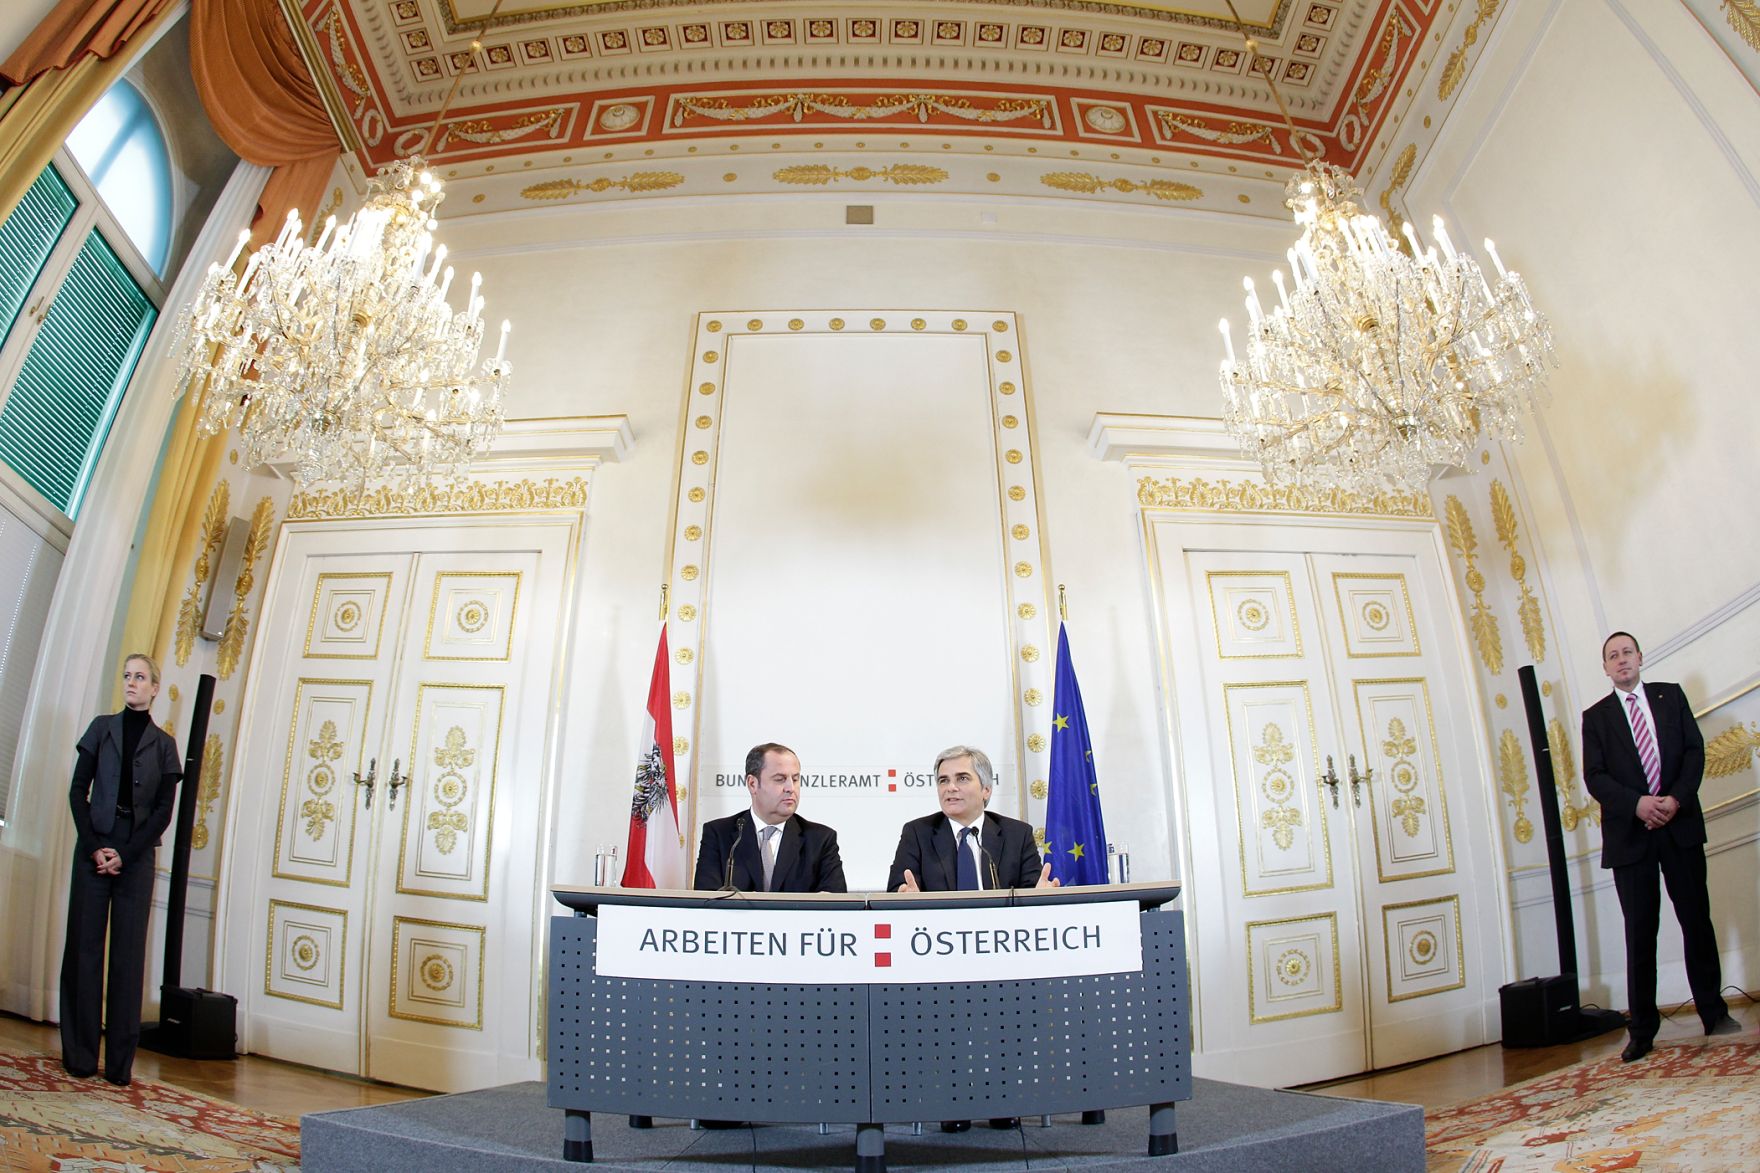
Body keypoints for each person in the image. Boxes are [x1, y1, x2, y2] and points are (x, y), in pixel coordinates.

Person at [1581, 631, 1737, 1062]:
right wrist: (1638, 804)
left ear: (1640, 657)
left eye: (1627, 652)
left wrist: (1676, 799)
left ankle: (1714, 1013)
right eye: (1612, 656)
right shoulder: (1594, 718)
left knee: (1696, 922)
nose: (1621, 660)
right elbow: (1594, 777)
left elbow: (1694, 750)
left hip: (1679, 825)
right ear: (1606, 668)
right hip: (1631, 837)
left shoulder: (1671, 696)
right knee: (1639, 934)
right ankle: (1643, 1031)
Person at [61, 653, 182, 1085]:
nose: (131, 682)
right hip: (92, 851)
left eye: (140, 677)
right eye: (127, 676)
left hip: (135, 858)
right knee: (84, 951)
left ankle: (118, 1067)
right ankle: (78, 1056)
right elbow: (78, 791)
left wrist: (126, 854)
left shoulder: (166, 745)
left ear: (154, 689)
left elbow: (164, 812)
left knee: (128, 960)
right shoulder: (99, 728)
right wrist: (95, 847)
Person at [886, 745, 1057, 893]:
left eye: (962, 778)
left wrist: (1039, 895)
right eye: (943, 780)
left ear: (986, 790)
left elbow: (1032, 895)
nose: (951, 788)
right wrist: (906, 897)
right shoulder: (917, 833)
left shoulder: (1017, 835)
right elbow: (898, 891)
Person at [693, 742, 846, 893]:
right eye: (780, 779)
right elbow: (706, 901)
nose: (790, 788)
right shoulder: (719, 834)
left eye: (795, 779)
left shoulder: (820, 839)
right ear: (752, 784)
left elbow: (834, 906)